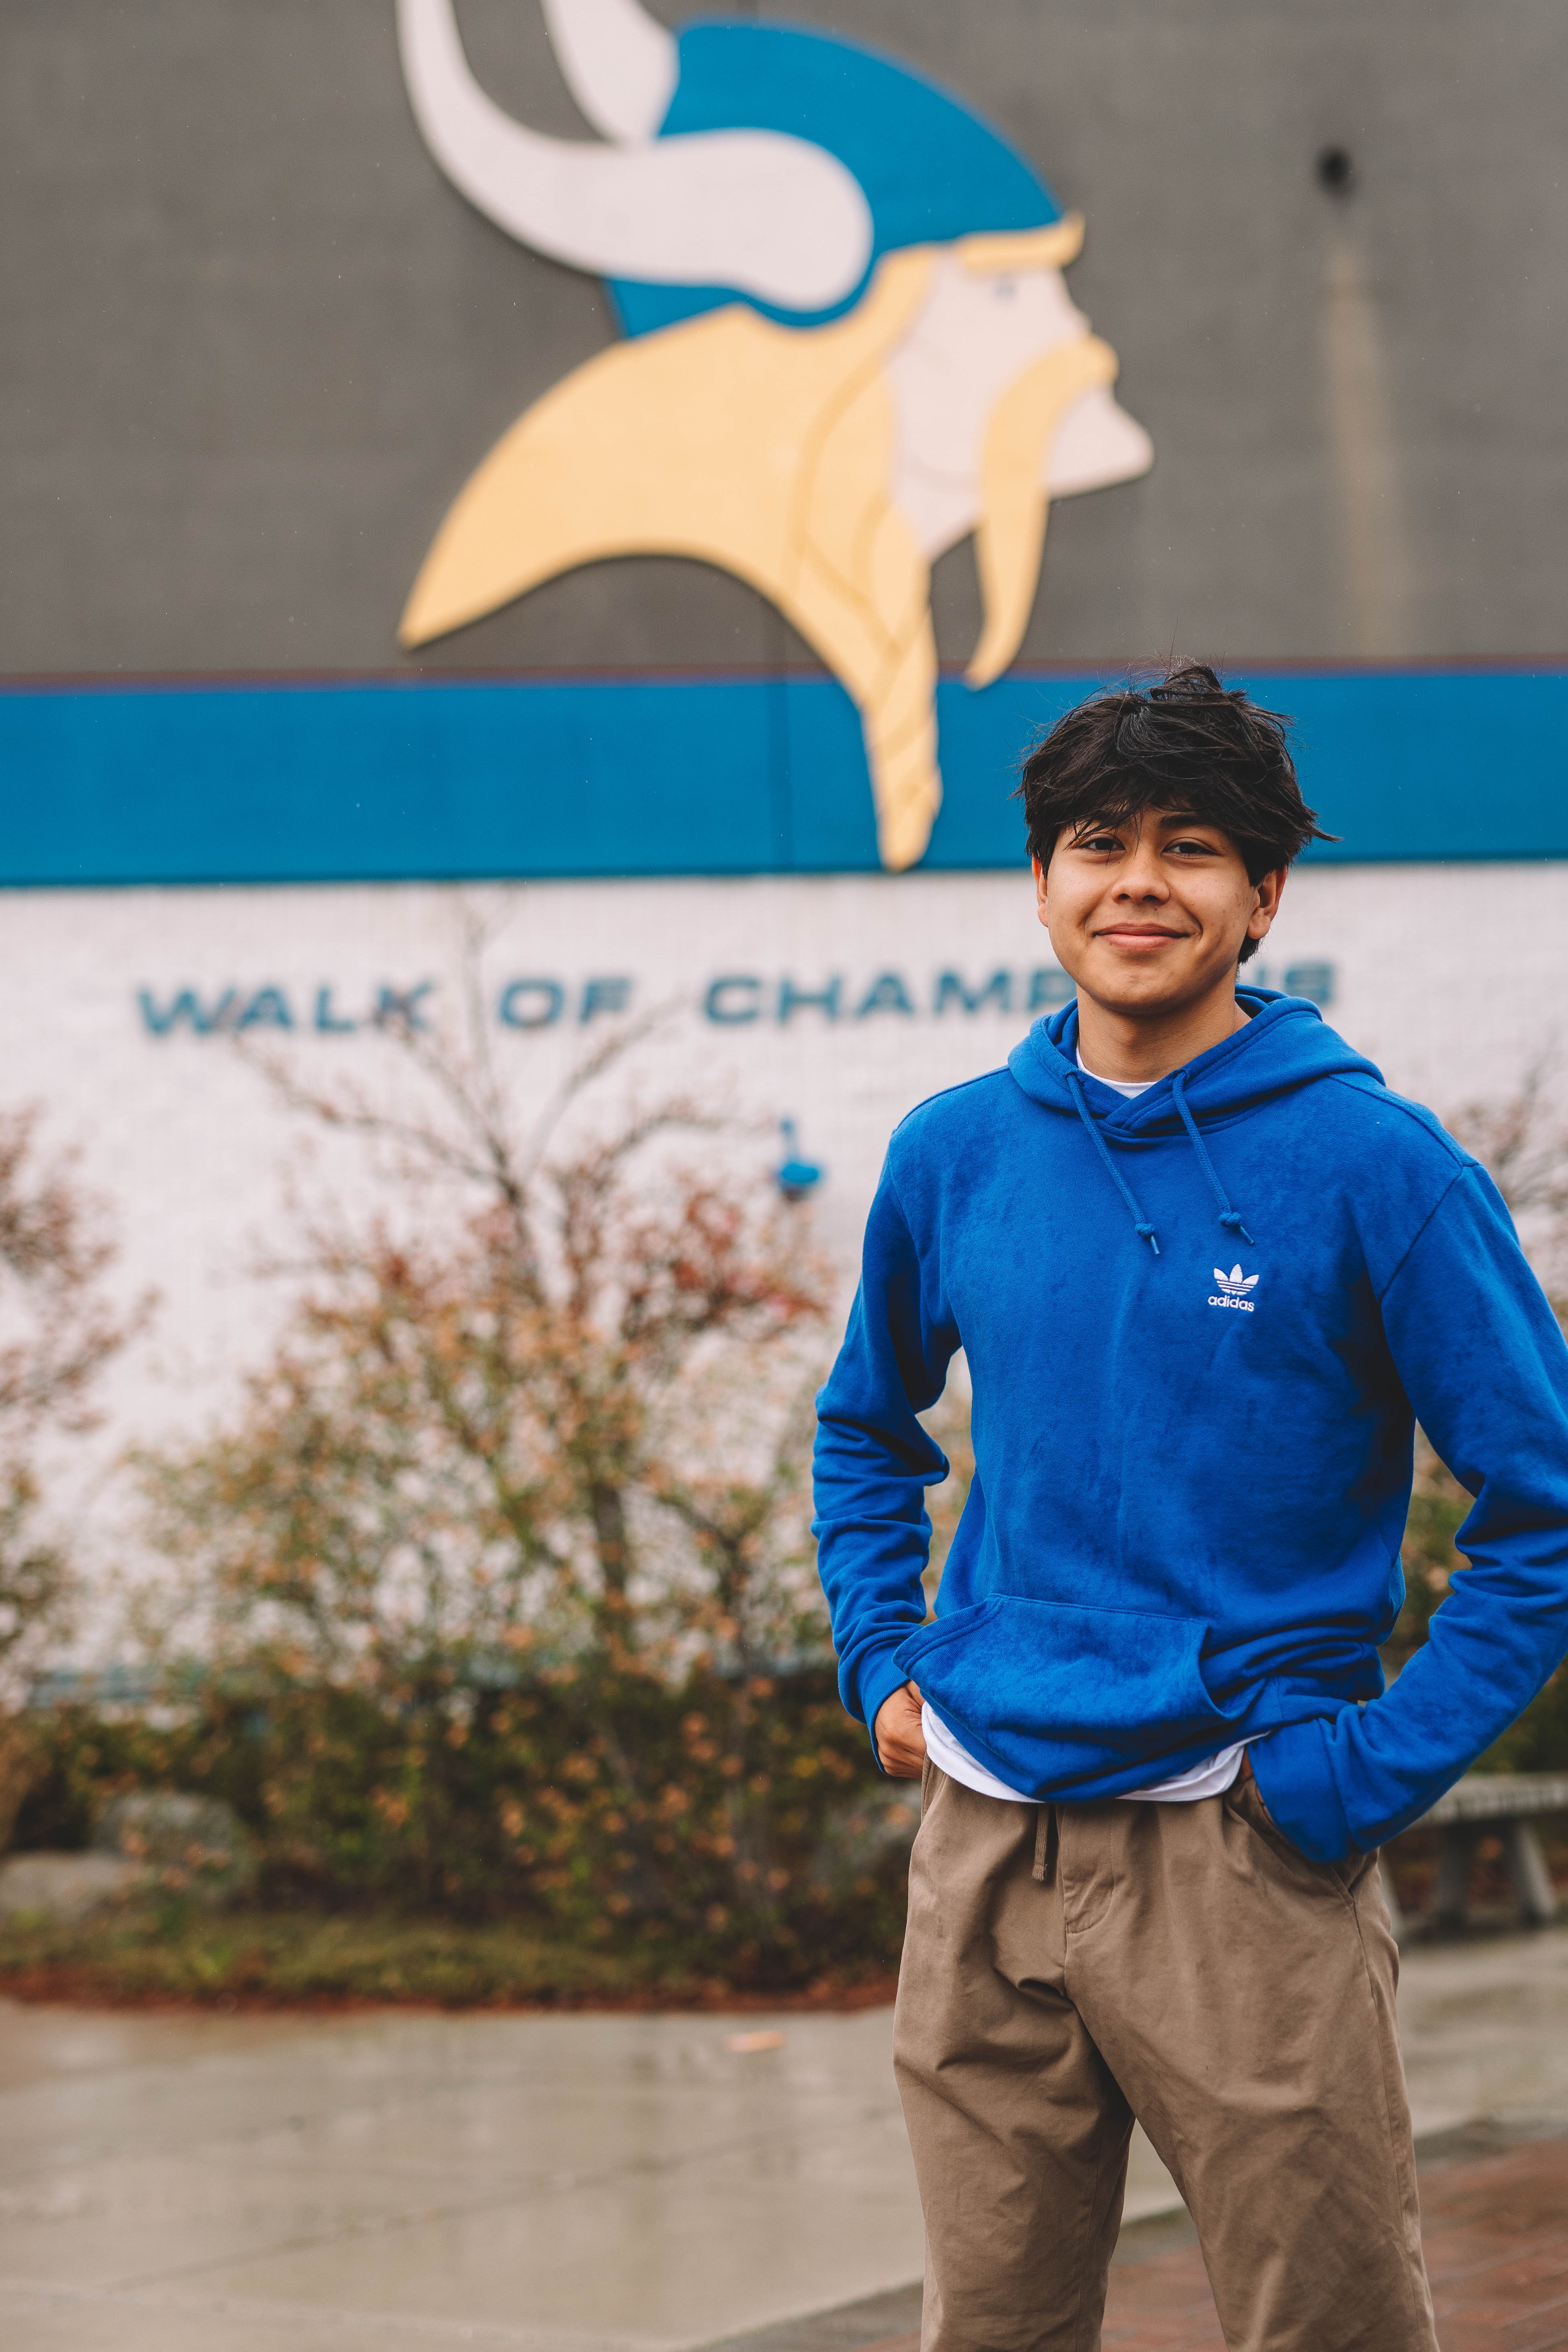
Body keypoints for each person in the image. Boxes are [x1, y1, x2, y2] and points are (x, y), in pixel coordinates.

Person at [812, 661, 1568, 2352]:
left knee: (1333, 2328)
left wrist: (1358, 1769)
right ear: (1041, 878)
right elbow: (869, 1426)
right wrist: (883, 1657)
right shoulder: (957, 1152)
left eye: (1192, 847)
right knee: (992, 2332)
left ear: (1262, 896)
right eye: (1099, 841)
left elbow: (1551, 1504)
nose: (1139, 880)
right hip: (986, 1841)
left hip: (1240, 1848)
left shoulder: (1379, 1168)